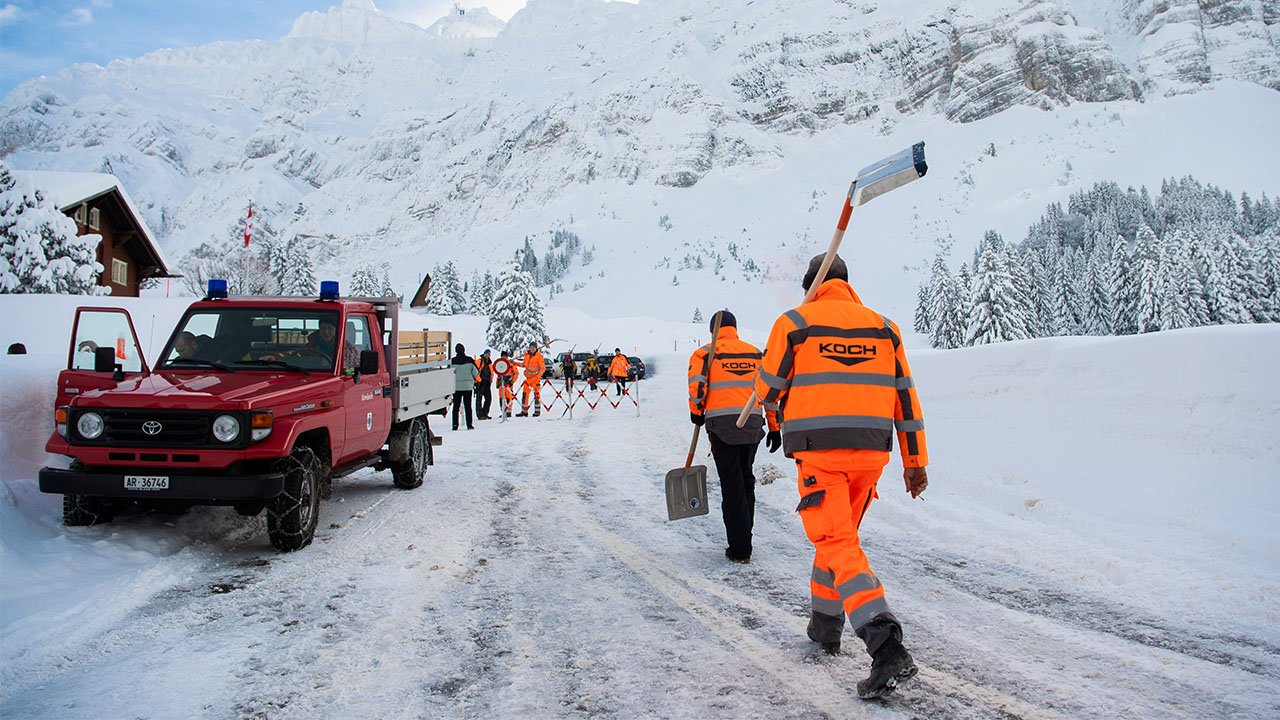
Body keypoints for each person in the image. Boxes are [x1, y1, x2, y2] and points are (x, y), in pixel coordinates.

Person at [754, 252, 930, 700]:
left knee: (835, 542)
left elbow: (769, 390)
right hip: (871, 454)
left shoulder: (794, 323)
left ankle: (884, 644)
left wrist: (766, 390)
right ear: (847, 283)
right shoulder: (885, 328)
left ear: (811, 286)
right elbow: (905, 400)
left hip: (820, 454)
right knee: (839, 538)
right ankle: (826, 626)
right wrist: (915, 461)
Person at [688, 310, 778, 565]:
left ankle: (740, 548)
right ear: (735, 328)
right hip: (751, 424)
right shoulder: (755, 354)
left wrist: (696, 412)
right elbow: (769, 391)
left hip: (721, 427)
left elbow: (697, 385)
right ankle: (744, 537)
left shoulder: (705, 353)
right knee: (745, 478)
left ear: (712, 330)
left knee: (732, 484)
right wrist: (773, 426)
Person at [451, 343, 479, 430]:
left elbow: (449, 374)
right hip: (467, 386)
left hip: (456, 387)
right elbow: (475, 373)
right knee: (468, 406)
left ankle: (455, 425)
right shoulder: (469, 360)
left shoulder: (452, 361)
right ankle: (469, 424)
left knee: (456, 407)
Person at [514, 341, 546, 417]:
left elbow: (543, 368)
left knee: (536, 394)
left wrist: (538, 377)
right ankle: (524, 411)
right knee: (525, 394)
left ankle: (537, 411)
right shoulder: (527, 356)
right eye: (531, 347)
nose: (532, 349)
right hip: (528, 378)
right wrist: (514, 363)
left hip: (535, 378)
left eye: (533, 347)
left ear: (536, 348)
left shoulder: (539, 356)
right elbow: (523, 364)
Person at [494, 350, 518, 419]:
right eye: (502, 356)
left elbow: (516, 373)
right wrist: (497, 383)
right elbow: (498, 375)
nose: (503, 357)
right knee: (501, 398)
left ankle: (508, 412)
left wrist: (512, 381)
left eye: (505, 356)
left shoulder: (510, 364)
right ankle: (503, 411)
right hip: (501, 384)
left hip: (508, 384)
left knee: (509, 397)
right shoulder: (499, 364)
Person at [474, 349, 494, 420]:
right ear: (484, 354)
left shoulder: (489, 362)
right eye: (487, 354)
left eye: (489, 354)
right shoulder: (479, 361)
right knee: (479, 398)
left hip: (487, 382)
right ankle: (480, 414)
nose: (488, 355)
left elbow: (491, 372)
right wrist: (479, 380)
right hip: (480, 382)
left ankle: (485, 413)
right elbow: (475, 371)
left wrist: (491, 379)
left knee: (488, 398)